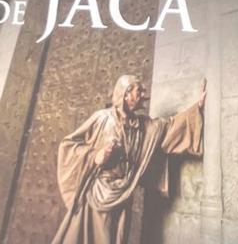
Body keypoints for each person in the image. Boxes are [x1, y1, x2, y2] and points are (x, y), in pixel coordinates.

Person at [52, 74, 205, 243]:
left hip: (124, 193)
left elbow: (168, 128)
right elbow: (68, 144)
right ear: (125, 94)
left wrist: (197, 109)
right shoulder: (102, 118)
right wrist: (96, 155)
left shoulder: (142, 126)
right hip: (100, 193)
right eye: (138, 91)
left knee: (117, 237)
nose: (143, 95)